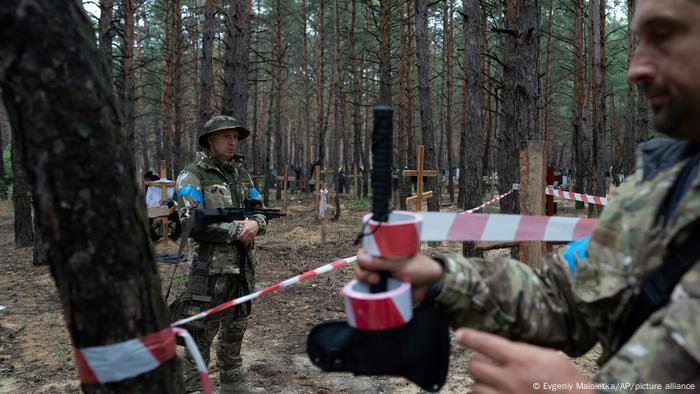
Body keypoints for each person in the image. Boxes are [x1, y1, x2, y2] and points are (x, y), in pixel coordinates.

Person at [356, 1, 700, 392]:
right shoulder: (663, 184)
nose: (636, 68)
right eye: (639, 41)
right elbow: (564, 300)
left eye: (663, 35)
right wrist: (441, 280)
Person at [175, 115, 267, 394]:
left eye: (235, 137)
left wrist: (256, 223)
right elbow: (188, 220)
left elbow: (259, 208)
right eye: (226, 136)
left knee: (236, 326)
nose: (232, 142)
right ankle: (193, 387)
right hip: (208, 269)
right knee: (200, 331)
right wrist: (233, 230)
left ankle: (232, 381)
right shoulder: (193, 174)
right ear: (210, 140)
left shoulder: (242, 174)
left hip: (242, 266)